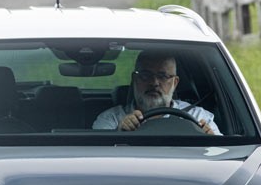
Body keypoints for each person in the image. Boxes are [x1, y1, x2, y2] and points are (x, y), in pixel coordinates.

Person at [92, 51, 220, 134]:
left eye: (163, 76)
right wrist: (119, 132)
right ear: (135, 79)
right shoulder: (111, 119)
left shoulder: (198, 117)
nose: (154, 83)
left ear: (175, 83)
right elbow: (99, 160)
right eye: (146, 75)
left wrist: (210, 140)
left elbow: (222, 156)